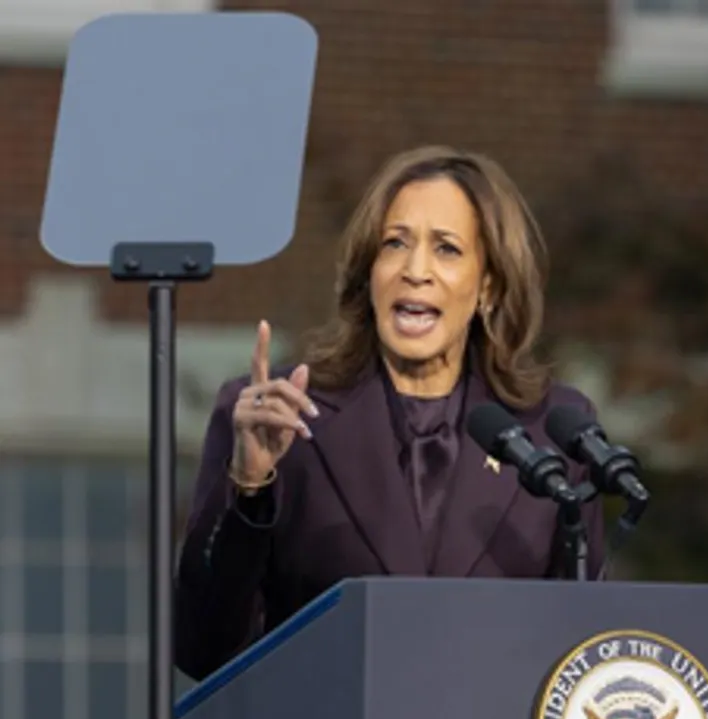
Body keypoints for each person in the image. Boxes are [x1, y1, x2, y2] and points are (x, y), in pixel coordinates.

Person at [174, 145, 606, 681]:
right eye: (395, 244)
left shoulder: (553, 429)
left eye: (446, 249)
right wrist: (250, 486)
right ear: (369, 273)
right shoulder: (278, 415)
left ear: (488, 287)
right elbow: (202, 650)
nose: (415, 270)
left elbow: (584, 659)